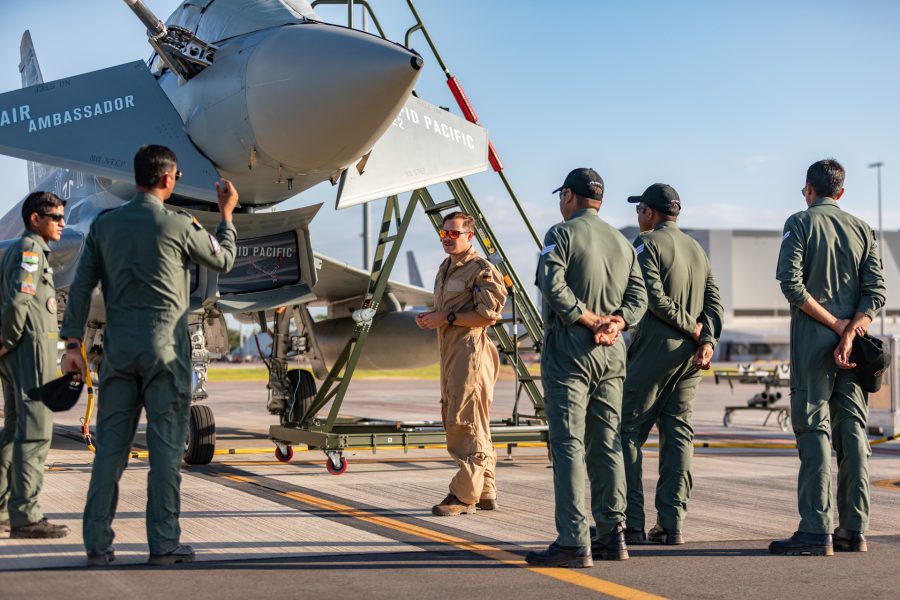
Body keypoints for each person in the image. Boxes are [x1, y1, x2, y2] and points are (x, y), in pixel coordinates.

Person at [60, 145, 239, 566]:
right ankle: (163, 545)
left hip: (119, 355)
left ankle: (97, 544)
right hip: (167, 354)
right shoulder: (180, 224)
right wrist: (227, 215)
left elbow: (81, 286)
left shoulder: (103, 227)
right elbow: (225, 260)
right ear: (167, 179)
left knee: (109, 453)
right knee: (164, 452)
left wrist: (72, 345)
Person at [526, 168, 647, 568]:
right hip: (612, 354)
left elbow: (552, 283)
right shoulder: (623, 242)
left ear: (570, 198)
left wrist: (589, 319)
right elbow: (638, 297)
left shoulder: (559, 235)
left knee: (568, 445)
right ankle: (613, 535)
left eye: (562, 195)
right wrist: (617, 322)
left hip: (571, 352)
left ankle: (574, 541)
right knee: (607, 443)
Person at [770, 159, 886, 556]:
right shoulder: (862, 229)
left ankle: (816, 529)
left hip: (813, 340)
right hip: (855, 346)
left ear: (808, 189)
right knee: (853, 432)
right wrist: (852, 331)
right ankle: (854, 529)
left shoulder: (799, 223)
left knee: (814, 428)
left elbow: (791, 283)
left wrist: (836, 326)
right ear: (841, 193)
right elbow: (876, 292)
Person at [620, 183, 723, 545]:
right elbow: (714, 301)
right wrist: (707, 339)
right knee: (678, 436)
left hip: (655, 351)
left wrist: (695, 329)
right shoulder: (697, 249)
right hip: (691, 358)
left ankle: (629, 522)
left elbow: (653, 298)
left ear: (650, 213)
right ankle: (671, 523)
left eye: (639, 210)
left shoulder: (645, 244)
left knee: (627, 434)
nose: (637, 217)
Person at [416, 211, 507, 516]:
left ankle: (463, 495)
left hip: (471, 352)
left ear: (470, 236)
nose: (447, 239)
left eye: (454, 234)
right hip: (452, 350)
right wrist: (434, 318)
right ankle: (485, 489)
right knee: (474, 420)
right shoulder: (446, 268)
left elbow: (489, 315)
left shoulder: (481, 271)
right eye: (444, 234)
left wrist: (446, 317)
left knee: (462, 419)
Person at [0, 191, 70, 539]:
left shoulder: (16, 249)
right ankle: (26, 516)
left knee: (13, 432)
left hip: (16, 352)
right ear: (35, 220)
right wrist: (9, 339)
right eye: (55, 217)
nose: (62, 223)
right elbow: (19, 301)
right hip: (29, 351)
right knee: (35, 433)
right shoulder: (31, 251)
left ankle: (2, 509)